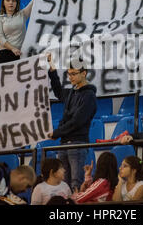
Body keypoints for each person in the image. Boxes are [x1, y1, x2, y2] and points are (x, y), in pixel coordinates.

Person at [47, 54, 97, 191]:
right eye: (69, 74)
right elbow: (58, 91)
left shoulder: (89, 96)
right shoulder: (71, 93)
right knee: (64, 185)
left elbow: (77, 121)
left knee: (76, 183)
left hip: (77, 143)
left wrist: (56, 133)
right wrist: (52, 69)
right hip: (64, 143)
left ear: (84, 73)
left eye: (74, 74)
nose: (71, 77)